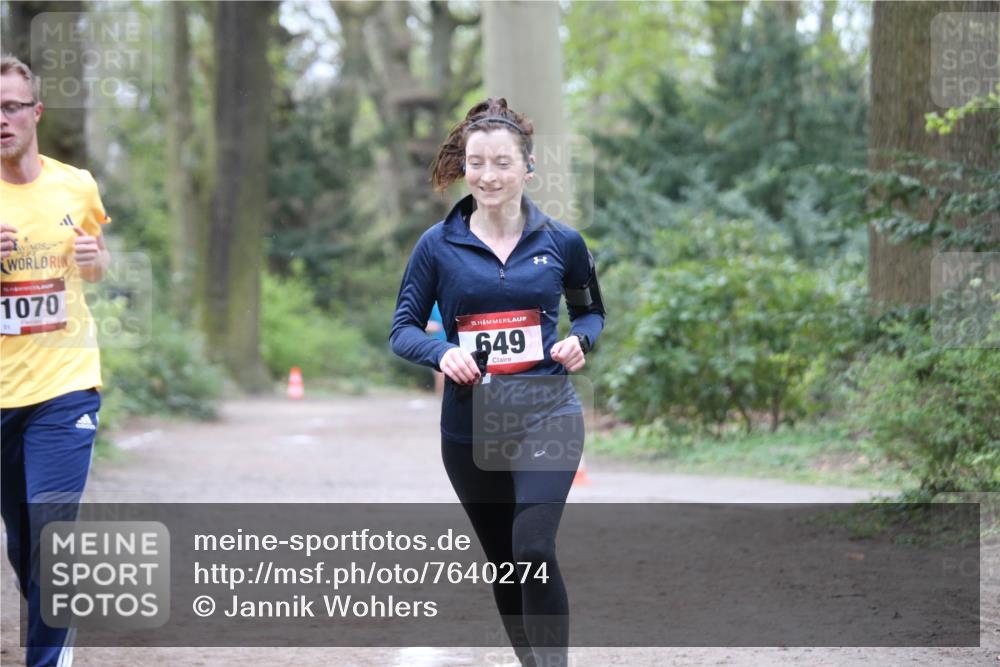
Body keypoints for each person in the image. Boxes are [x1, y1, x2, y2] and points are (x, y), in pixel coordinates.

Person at [390, 97, 605, 667]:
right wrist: (442, 352)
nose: (488, 175)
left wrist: (580, 341)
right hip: (471, 426)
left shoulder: (563, 242)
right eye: (477, 162)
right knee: (507, 563)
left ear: (527, 168)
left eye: (502, 163)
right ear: (464, 167)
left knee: (533, 549)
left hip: (548, 411)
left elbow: (590, 313)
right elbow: (402, 329)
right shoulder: (437, 246)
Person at [1, 55, 112, 667]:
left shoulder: (77, 185)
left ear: (36, 112)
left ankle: (48, 658)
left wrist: (96, 260)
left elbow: (96, 264)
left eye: (11, 107)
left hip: (65, 384)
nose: (1, 119)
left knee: (52, 531)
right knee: (23, 542)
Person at [424, 302, 446, 395]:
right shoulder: (433, 306)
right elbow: (421, 323)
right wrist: (433, 325)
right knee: (439, 373)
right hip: (437, 344)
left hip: (454, 343)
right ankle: (440, 395)